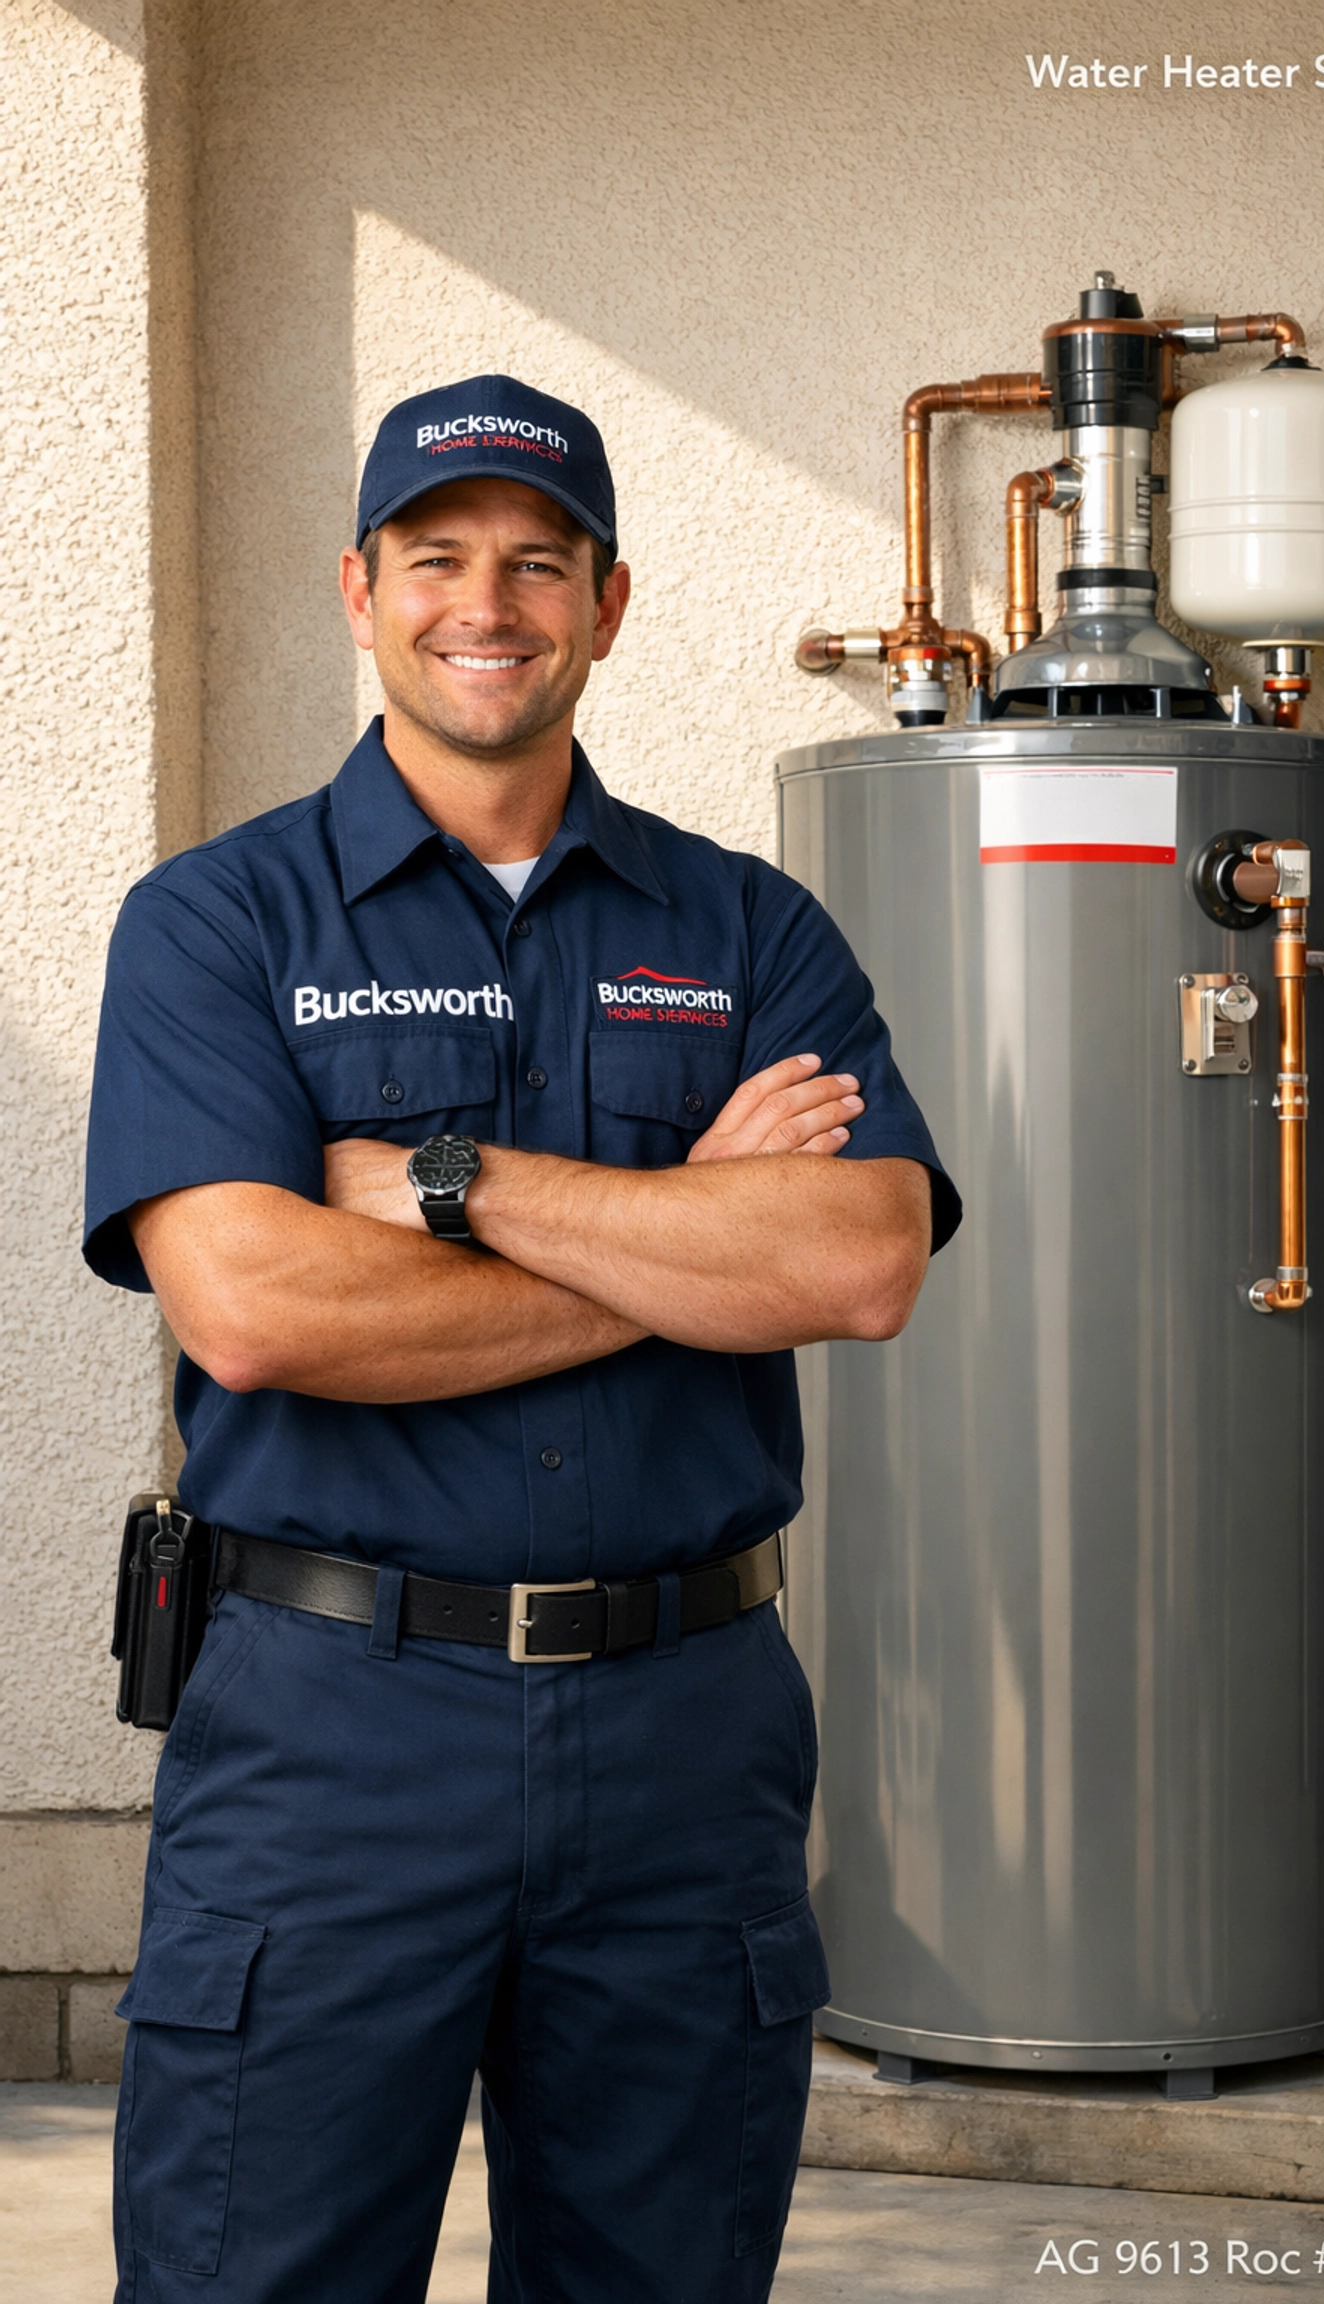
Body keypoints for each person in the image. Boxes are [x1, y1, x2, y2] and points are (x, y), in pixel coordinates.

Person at [85, 373, 961, 2304]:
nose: (489, 603)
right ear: (360, 588)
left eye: (539, 565)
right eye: (441, 558)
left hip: (683, 1736)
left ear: (611, 604)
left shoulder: (749, 930)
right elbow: (254, 1307)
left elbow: (862, 1264)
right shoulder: (216, 923)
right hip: (330, 1733)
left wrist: (448, 1182)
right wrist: (683, 1236)